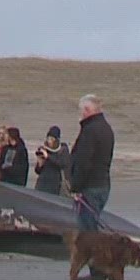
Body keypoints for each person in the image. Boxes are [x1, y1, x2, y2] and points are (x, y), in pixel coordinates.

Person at [68, 94, 114, 233]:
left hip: (89, 188)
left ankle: (92, 254)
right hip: (103, 185)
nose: (80, 114)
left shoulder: (90, 131)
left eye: (81, 111)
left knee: (87, 232)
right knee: (91, 227)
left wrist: (75, 186)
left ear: (87, 110)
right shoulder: (106, 128)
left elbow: (84, 162)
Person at [33, 126, 68, 195]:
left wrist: (48, 156)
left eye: (52, 139)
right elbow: (38, 171)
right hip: (42, 182)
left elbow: (62, 163)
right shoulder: (45, 149)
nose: (49, 141)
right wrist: (40, 164)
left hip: (54, 183)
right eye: (48, 138)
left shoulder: (62, 150)